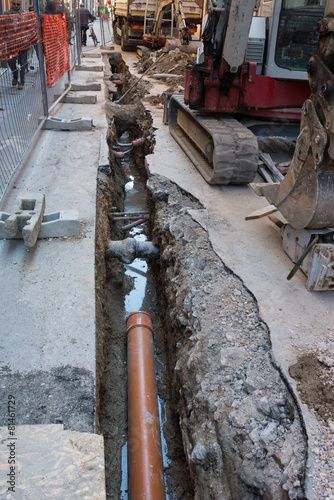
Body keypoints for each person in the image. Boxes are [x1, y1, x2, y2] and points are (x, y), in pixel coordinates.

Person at [4, 0, 28, 90]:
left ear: (20, 5)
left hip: (22, 43)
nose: (16, 6)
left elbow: (27, 27)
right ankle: (15, 76)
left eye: (18, 4)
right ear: (11, 4)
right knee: (11, 60)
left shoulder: (24, 14)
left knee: (22, 63)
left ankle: (21, 82)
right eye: (14, 4)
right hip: (11, 43)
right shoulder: (6, 14)